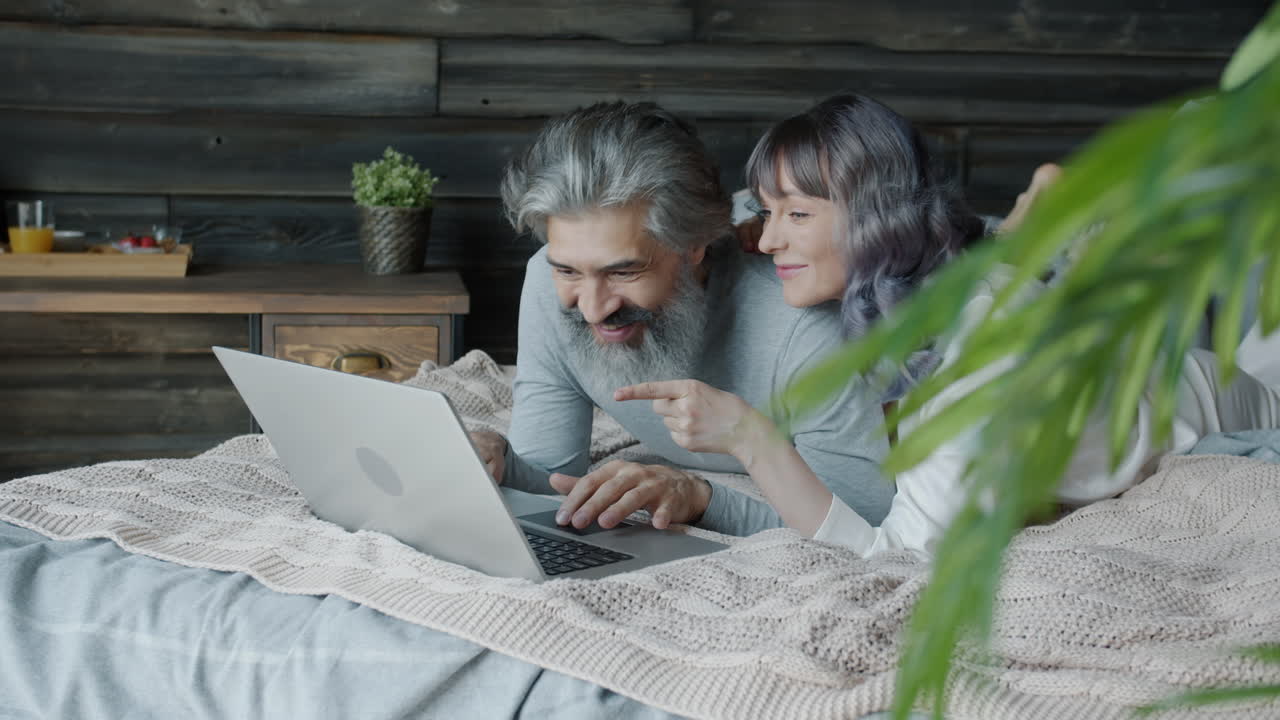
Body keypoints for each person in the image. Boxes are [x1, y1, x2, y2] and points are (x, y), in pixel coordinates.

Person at [613, 94, 1280, 558]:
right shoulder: (904, 296)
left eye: (796, 215)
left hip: (1223, 403)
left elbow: (895, 555)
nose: (764, 242)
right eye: (767, 213)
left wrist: (750, 439)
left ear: (873, 217)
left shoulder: (972, 357)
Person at [468, 100, 896, 536]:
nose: (594, 308)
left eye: (624, 271)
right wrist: (501, 462)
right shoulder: (545, 283)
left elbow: (859, 523)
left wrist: (701, 499)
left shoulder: (807, 328)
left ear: (694, 245)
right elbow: (555, 479)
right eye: (568, 270)